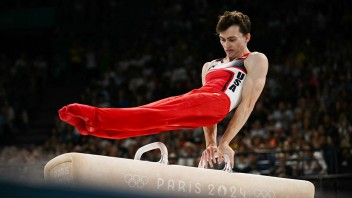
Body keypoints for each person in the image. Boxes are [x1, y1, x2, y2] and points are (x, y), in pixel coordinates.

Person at [58, 11, 268, 168]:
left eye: (232, 39)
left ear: (247, 37)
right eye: (222, 39)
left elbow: (248, 103)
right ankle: (93, 126)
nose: (226, 45)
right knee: (150, 117)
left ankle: (90, 115)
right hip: (200, 99)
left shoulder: (254, 59)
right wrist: (211, 143)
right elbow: (206, 115)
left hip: (219, 100)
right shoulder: (209, 65)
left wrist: (225, 143)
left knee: (153, 114)